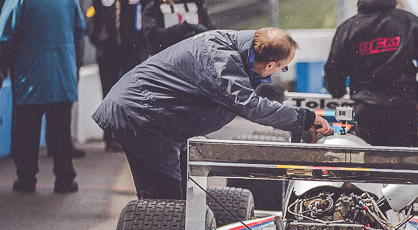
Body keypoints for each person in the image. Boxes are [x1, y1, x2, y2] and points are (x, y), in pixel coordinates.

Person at [92, 27, 333, 199]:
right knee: (164, 203)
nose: (278, 72)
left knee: (175, 198)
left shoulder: (231, 47)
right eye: (283, 67)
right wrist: (305, 118)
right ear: (270, 65)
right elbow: (251, 106)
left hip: (147, 113)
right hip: (141, 116)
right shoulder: (221, 62)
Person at [324, 0, 418, 147]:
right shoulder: (408, 21)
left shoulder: (348, 28)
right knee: (404, 164)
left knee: (370, 163)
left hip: (366, 110)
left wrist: (337, 93)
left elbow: (333, 69)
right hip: (404, 107)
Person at [0, 0, 84, 193]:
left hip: (30, 77)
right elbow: (79, 28)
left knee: (26, 130)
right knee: (60, 130)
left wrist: (4, 63)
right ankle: (64, 180)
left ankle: (27, 180)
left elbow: (5, 33)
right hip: (62, 74)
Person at [86, 0, 150, 151]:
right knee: (109, 95)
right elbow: (90, 18)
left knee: (132, 94)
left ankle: (131, 137)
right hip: (108, 53)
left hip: (132, 53)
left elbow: (148, 17)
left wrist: (141, 44)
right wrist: (98, 40)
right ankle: (111, 138)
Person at [48, 0, 87, 160]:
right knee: (60, 106)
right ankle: (60, 146)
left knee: (65, 104)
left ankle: (61, 144)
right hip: (62, 59)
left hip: (72, 59)